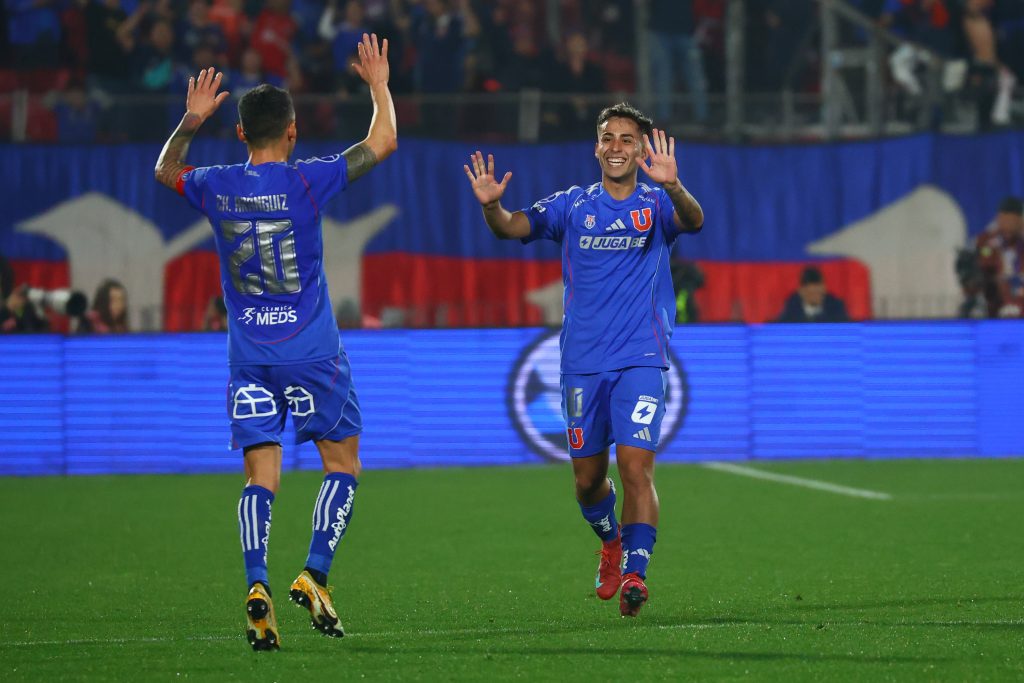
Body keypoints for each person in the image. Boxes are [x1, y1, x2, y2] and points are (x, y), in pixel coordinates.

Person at [153, 33, 397, 651]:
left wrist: (189, 118)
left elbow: (165, 169)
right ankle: (314, 573)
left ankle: (257, 584)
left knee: (260, 476)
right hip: (313, 353)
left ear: (239, 133)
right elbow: (382, 142)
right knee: (342, 464)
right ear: (291, 133)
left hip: (250, 359)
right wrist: (377, 84)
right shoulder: (308, 181)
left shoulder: (216, 184)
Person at [463, 102, 704, 618]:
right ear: (597, 146)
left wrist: (675, 185)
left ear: (642, 150)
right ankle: (611, 540)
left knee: (637, 469)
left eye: (627, 139)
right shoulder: (573, 206)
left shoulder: (657, 203)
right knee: (587, 481)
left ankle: (637, 573)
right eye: (608, 137)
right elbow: (510, 226)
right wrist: (490, 207)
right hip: (582, 364)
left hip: (642, 356)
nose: (617, 146)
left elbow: (694, 221)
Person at [974, 196, 1024, 317]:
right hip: (997, 303)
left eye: (1012, 221)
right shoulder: (987, 242)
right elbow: (984, 259)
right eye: (1004, 219)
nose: (1007, 225)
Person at [776, 266, 850, 323]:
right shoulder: (791, 308)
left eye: (818, 293)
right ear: (801, 291)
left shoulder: (836, 307)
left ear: (824, 289)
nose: (815, 297)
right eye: (811, 294)